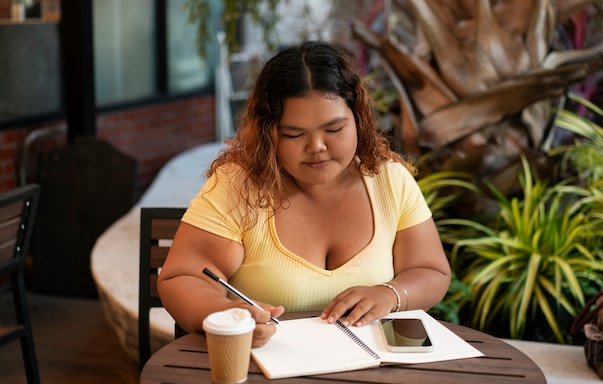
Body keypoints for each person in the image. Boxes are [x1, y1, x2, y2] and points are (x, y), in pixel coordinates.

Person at [158, 41, 451, 348]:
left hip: (374, 371)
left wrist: (390, 294)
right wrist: (227, 314)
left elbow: (429, 270)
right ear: (268, 133)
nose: (316, 147)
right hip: (268, 376)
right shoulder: (239, 186)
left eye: (334, 129)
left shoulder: (389, 179)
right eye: (294, 134)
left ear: (358, 119)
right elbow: (182, 278)